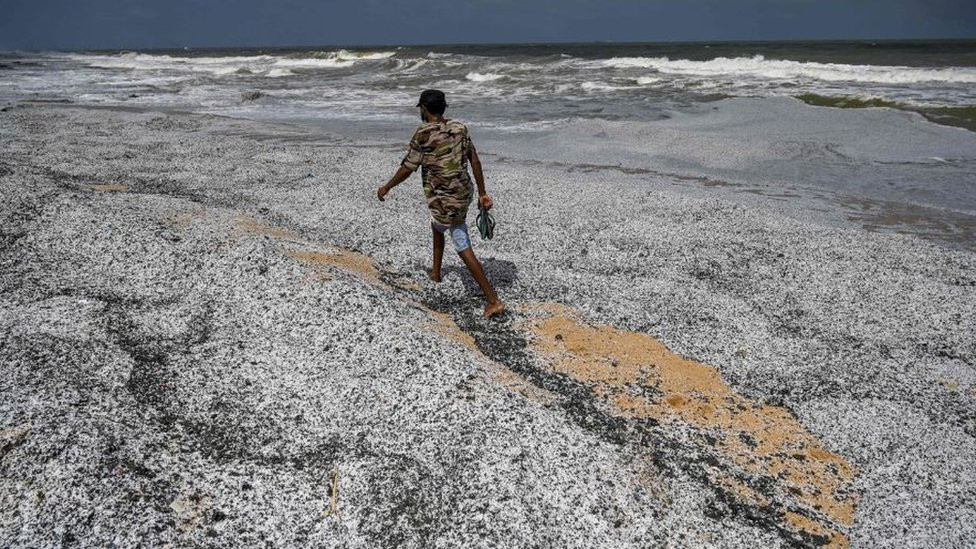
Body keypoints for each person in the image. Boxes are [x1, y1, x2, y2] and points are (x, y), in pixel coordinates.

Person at [377, 89, 505, 319]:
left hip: (445, 197)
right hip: (463, 191)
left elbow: (408, 167)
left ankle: (493, 300)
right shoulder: (459, 128)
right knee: (437, 224)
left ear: (424, 109)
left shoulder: (423, 133)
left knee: (460, 240)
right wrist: (482, 192)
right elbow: (474, 159)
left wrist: (387, 187)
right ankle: (435, 273)